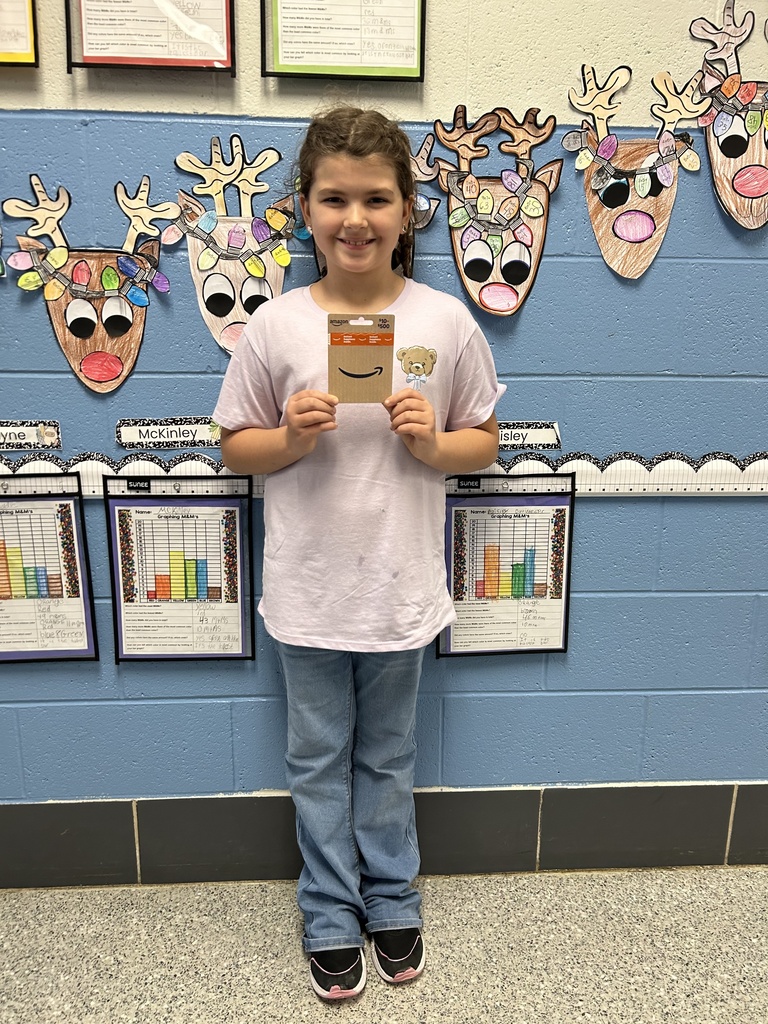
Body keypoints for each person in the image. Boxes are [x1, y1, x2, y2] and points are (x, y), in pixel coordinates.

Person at [213, 106, 504, 1001]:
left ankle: (391, 898)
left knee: (387, 757)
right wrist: (290, 440)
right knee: (315, 760)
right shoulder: (275, 326)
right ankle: (330, 910)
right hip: (307, 593)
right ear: (304, 208)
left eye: (377, 199)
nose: (355, 219)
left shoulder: (445, 321)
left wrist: (434, 445)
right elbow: (235, 447)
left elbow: (485, 441)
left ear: (409, 209)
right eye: (335, 198)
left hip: (400, 590)